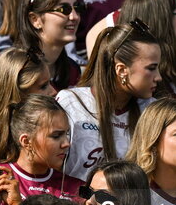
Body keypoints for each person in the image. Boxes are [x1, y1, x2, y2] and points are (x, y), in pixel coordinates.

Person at [56, 22, 160, 180]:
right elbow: (50, 170)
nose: (159, 77)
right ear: (121, 70)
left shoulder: (152, 110)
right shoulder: (71, 102)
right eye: (151, 68)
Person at [9, 0, 82, 91]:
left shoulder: (72, 70)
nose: (75, 17)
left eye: (77, 8)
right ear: (35, 19)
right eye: (64, 9)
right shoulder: (18, 71)